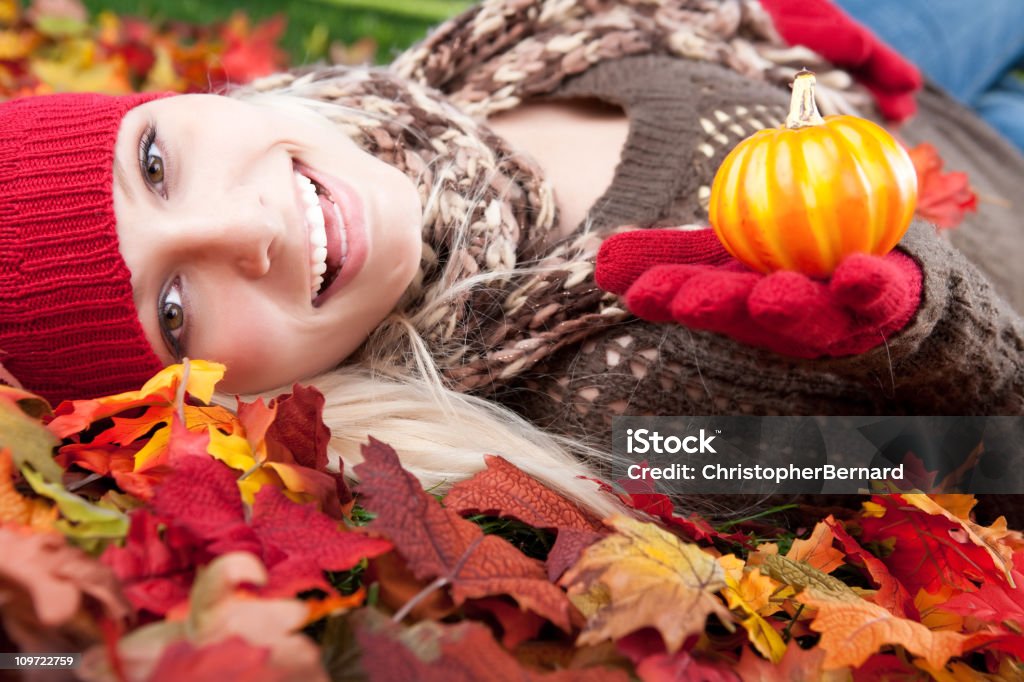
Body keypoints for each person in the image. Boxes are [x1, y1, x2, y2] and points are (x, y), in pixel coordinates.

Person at [2, 0, 1023, 519]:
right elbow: (988, 460)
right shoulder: (604, 419)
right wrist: (918, 333)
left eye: (152, 163)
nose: (242, 230)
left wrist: (736, 24)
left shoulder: (430, 85)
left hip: (883, 71)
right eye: (175, 309)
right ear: (221, 402)